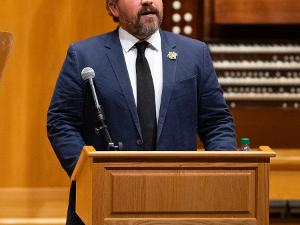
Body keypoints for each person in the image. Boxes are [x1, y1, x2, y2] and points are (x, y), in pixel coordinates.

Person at [47, 0, 236, 223]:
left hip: (180, 199)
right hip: (105, 201)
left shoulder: (195, 53)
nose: (148, 1)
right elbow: (61, 122)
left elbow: (217, 123)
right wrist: (88, 176)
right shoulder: (84, 55)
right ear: (113, 8)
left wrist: (218, 176)